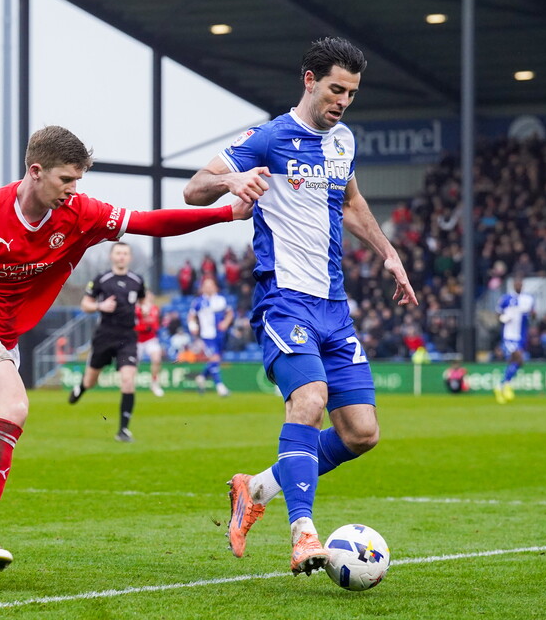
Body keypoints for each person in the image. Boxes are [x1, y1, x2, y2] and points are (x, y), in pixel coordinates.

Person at [0, 125, 251, 580]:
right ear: (35, 171)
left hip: (2, 344)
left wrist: (225, 214)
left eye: (78, 180)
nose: (73, 189)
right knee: (13, 407)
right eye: (66, 179)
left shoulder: (80, 213)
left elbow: (149, 222)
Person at [183, 37, 418, 576]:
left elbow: (351, 202)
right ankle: (303, 533)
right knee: (309, 400)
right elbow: (195, 189)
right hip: (284, 300)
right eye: (336, 89)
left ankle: (254, 489)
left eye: (352, 93)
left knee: (361, 433)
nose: (343, 101)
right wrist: (232, 179)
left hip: (334, 306)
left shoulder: (343, 142)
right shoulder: (269, 137)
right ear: (309, 80)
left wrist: (388, 253)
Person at [66, 242, 146, 441]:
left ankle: (123, 430)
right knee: (91, 380)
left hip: (127, 337)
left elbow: (144, 300)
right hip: (105, 335)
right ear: (112, 256)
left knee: (128, 379)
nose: (121, 256)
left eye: (125, 253)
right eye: (118, 253)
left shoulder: (137, 280)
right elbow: (85, 304)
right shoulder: (102, 279)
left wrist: (144, 309)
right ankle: (82, 387)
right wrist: (100, 306)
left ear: (130, 257)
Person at [187, 276, 234, 396]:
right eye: (206, 286)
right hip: (207, 335)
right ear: (202, 288)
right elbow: (191, 316)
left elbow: (230, 313)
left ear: (215, 287)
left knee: (216, 359)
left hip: (221, 335)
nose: (208, 288)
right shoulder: (198, 302)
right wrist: (193, 327)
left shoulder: (221, 300)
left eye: (210, 285)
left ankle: (202, 377)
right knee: (214, 358)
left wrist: (225, 323)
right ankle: (220, 386)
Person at [494, 274, 535, 404]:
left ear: (522, 285)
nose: (518, 285)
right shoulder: (506, 299)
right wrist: (503, 318)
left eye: (520, 283)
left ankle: (502, 385)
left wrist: (533, 315)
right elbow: (498, 315)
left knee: (516, 362)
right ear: (513, 285)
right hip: (509, 336)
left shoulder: (528, 299)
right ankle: (505, 385)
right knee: (518, 358)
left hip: (521, 336)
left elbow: (532, 316)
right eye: (516, 283)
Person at [136, 290, 165, 398]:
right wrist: (144, 327)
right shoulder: (136, 309)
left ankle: (154, 383)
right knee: (132, 365)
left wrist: (150, 326)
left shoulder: (155, 309)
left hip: (151, 339)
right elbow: (133, 325)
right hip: (137, 340)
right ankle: (129, 385)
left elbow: (156, 324)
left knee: (157, 359)